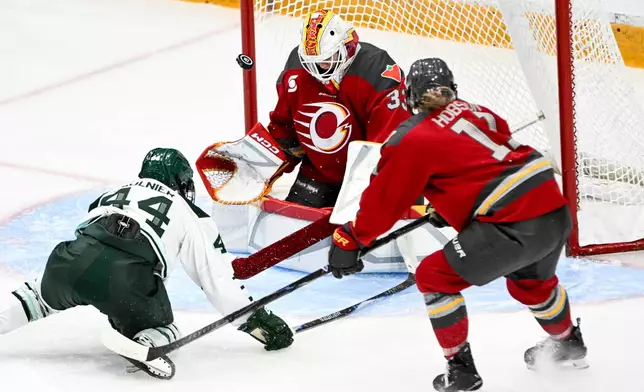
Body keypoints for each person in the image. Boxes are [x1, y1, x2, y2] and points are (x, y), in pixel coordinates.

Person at [327, 58, 588, 391]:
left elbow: (385, 201)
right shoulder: (478, 110)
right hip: (552, 206)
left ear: (410, 95)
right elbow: (484, 160)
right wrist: (450, 200)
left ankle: (462, 373)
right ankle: (568, 342)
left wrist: (351, 238)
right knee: (530, 282)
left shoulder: (412, 137)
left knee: (434, 276)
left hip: (512, 220)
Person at [0, 148, 294, 379]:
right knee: (166, 329)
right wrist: (257, 322)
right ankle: (145, 342)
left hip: (68, 262)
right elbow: (216, 281)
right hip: (125, 282)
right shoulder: (192, 215)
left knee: (39, 295)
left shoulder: (115, 191)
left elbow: (89, 231)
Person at [267, 9, 410, 208]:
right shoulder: (296, 68)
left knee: (362, 237)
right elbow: (285, 128)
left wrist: (372, 190)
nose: (319, 68)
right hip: (318, 173)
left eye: (327, 58)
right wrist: (262, 167)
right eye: (313, 62)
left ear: (348, 46)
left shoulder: (376, 70)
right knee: (292, 232)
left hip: (370, 177)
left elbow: (392, 141)